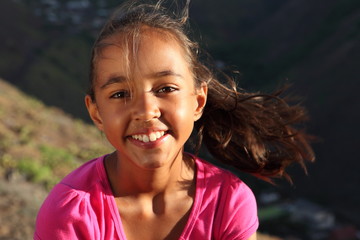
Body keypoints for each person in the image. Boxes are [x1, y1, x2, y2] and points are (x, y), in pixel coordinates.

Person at [34, 0, 314, 239]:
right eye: (120, 94)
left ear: (198, 101)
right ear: (96, 113)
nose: (145, 110)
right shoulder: (72, 213)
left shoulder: (227, 203)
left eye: (165, 89)